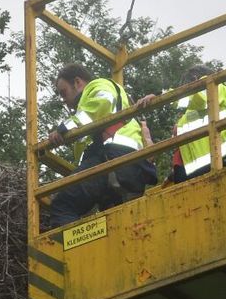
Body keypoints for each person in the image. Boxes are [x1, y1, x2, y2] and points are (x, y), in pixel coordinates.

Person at [44, 64, 158, 230]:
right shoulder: (101, 112)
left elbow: (102, 103)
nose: (64, 100)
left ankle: (72, 255)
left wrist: (64, 129)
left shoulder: (98, 86)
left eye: (64, 92)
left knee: (63, 205)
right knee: (112, 225)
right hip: (128, 169)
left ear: (77, 82)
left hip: (113, 160)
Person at [137, 64, 226, 183]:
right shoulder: (197, 110)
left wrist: (161, 96)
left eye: (186, 88)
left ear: (196, 79)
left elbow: (198, 99)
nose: (185, 92)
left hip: (225, 155)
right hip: (212, 161)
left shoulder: (213, 85)